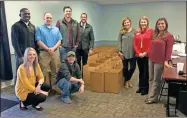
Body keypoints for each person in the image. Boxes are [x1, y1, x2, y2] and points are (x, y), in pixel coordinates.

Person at [146, 17, 174, 104]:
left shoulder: (169, 36)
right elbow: (151, 46)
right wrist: (147, 54)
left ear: (166, 25)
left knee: (156, 79)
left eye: (162, 23)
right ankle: (150, 95)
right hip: (151, 59)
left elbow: (169, 50)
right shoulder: (154, 34)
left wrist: (166, 60)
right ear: (156, 25)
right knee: (150, 78)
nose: (160, 25)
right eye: (159, 24)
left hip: (160, 61)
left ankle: (153, 98)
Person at [35, 12, 62, 93]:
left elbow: (60, 40)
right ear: (44, 19)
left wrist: (53, 49)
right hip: (44, 53)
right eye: (47, 18)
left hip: (55, 52)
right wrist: (48, 49)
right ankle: (44, 90)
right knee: (43, 72)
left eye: (50, 18)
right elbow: (38, 41)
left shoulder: (56, 29)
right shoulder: (39, 28)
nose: (49, 19)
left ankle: (54, 88)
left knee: (55, 71)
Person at [11, 8, 38, 85]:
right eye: (25, 14)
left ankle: (29, 88)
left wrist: (36, 54)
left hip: (32, 55)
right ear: (20, 15)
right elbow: (14, 42)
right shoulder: (15, 26)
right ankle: (18, 90)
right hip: (21, 55)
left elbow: (35, 41)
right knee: (20, 72)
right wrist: (20, 56)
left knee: (30, 73)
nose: (27, 15)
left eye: (28, 14)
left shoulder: (32, 26)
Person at [133, 16, 154, 95]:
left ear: (147, 23)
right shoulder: (137, 32)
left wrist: (145, 53)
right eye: (142, 22)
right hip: (139, 55)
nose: (143, 23)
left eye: (144, 22)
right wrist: (139, 53)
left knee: (146, 72)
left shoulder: (151, 31)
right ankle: (141, 87)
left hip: (147, 55)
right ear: (139, 23)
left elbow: (152, 44)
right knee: (141, 71)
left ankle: (146, 88)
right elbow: (134, 44)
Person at [117, 17, 136, 89]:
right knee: (125, 68)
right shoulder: (121, 32)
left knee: (133, 68)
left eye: (128, 22)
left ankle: (127, 80)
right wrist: (119, 51)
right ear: (123, 24)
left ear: (130, 22)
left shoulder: (134, 31)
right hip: (124, 53)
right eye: (125, 23)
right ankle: (127, 82)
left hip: (133, 52)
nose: (126, 24)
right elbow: (119, 42)